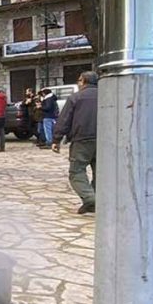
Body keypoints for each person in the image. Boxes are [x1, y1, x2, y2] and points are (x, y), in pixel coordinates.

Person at [52, 71, 98, 214]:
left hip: (82, 139)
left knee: (76, 171)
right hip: (105, 140)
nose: (78, 84)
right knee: (101, 172)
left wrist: (56, 139)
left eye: (79, 81)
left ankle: (91, 198)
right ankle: (94, 200)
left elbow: (64, 119)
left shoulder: (76, 98)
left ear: (83, 81)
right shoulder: (108, 95)